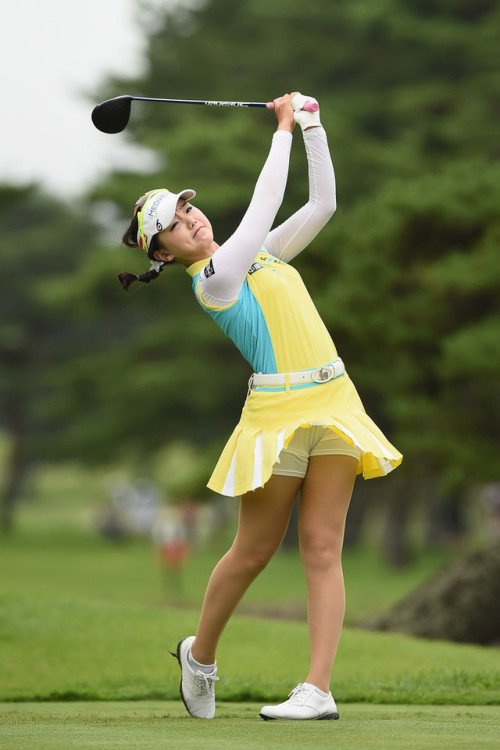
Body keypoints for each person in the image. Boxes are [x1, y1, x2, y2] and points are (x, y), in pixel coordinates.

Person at [120, 92, 403, 721]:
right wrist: (280, 129)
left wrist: (313, 127)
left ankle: (318, 690)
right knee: (253, 551)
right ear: (162, 252)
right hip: (277, 417)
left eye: (188, 207)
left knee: (323, 548)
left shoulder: (263, 255)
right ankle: (200, 655)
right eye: (174, 222)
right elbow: (263, 205)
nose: (191, 219)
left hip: (335, 401)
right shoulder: (216, 278)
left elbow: (322, 204)